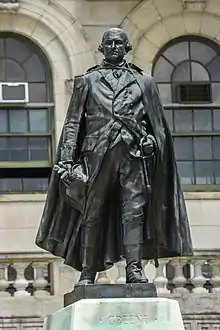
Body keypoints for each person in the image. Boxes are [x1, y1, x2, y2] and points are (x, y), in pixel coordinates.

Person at [35, 28, 193, 286]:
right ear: (102, 48)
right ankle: (88, 271)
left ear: (127, 47)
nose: (114, 47)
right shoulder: (87, 81)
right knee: (92, 213)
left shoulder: (145, 83)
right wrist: (66, 160)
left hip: (133, 157)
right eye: (109, 43)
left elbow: (157, 127)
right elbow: (73, 123)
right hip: (95, 157)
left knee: (134, 213)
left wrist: (152, 142)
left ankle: (134, 268)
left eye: (119, 43)